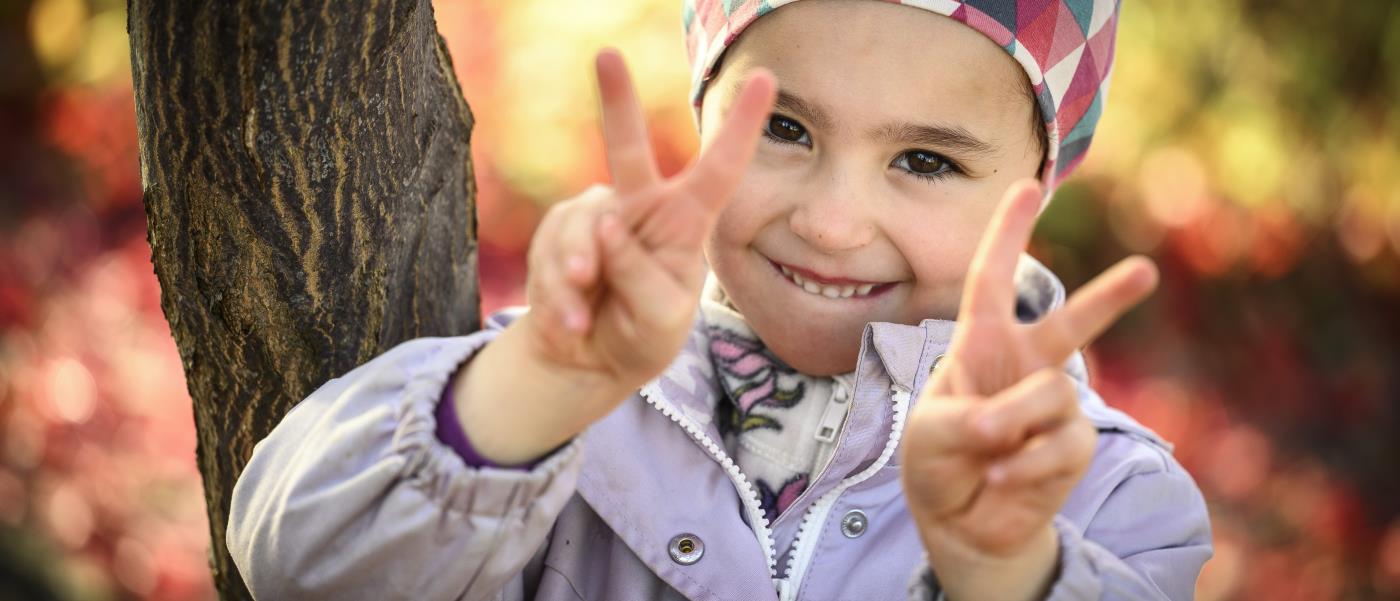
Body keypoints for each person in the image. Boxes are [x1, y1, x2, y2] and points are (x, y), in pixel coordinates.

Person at [226, 0, 1213, 599]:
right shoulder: (564, 388)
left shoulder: (1106, 498)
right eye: (781, 127)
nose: (831, 222)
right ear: (703, 111)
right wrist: (541, 382)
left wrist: (1000, 568)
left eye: (923, 159)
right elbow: (298, 569)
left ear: (1036, 186)